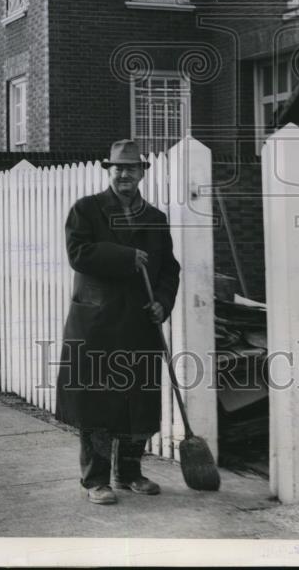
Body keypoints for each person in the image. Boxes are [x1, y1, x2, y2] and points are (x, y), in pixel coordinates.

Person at [55, 139, 181, 505]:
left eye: (131, 167)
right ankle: (95, 480)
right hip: (97, 324)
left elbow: (169, 270)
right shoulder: (87, 210)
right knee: (97, 403)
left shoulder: (155, 219)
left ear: (142, 172)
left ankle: (129, 473)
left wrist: (162, 302)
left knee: (136, 402)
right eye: (117, 168)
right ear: (108, 171)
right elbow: (79, 254)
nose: (124, 173)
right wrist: (127, 256)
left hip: (140, 323)